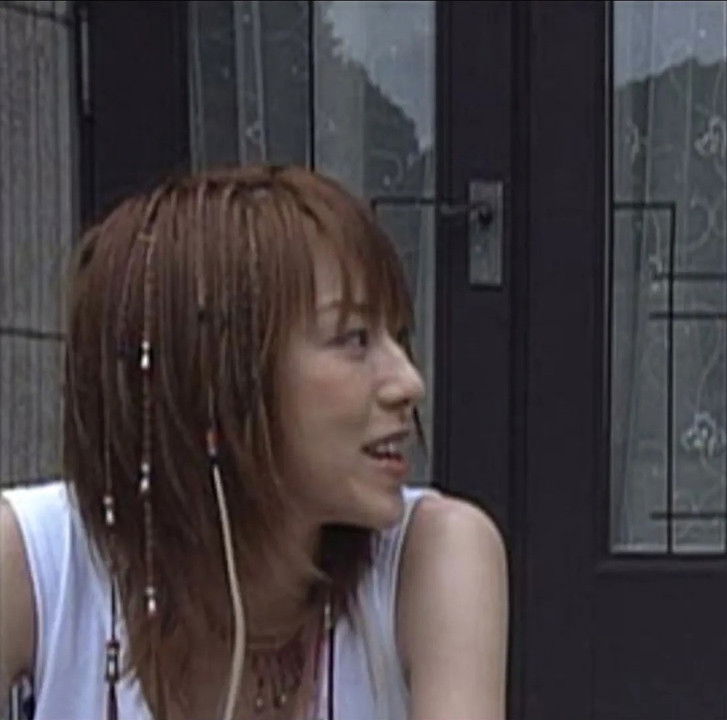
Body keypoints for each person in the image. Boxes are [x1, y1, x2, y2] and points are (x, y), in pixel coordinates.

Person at [0, 166, 508, 720]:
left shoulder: (434, 557)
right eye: (355, 339)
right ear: (215, 377)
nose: (409, 383)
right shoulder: (34, 564)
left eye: (400, 336)